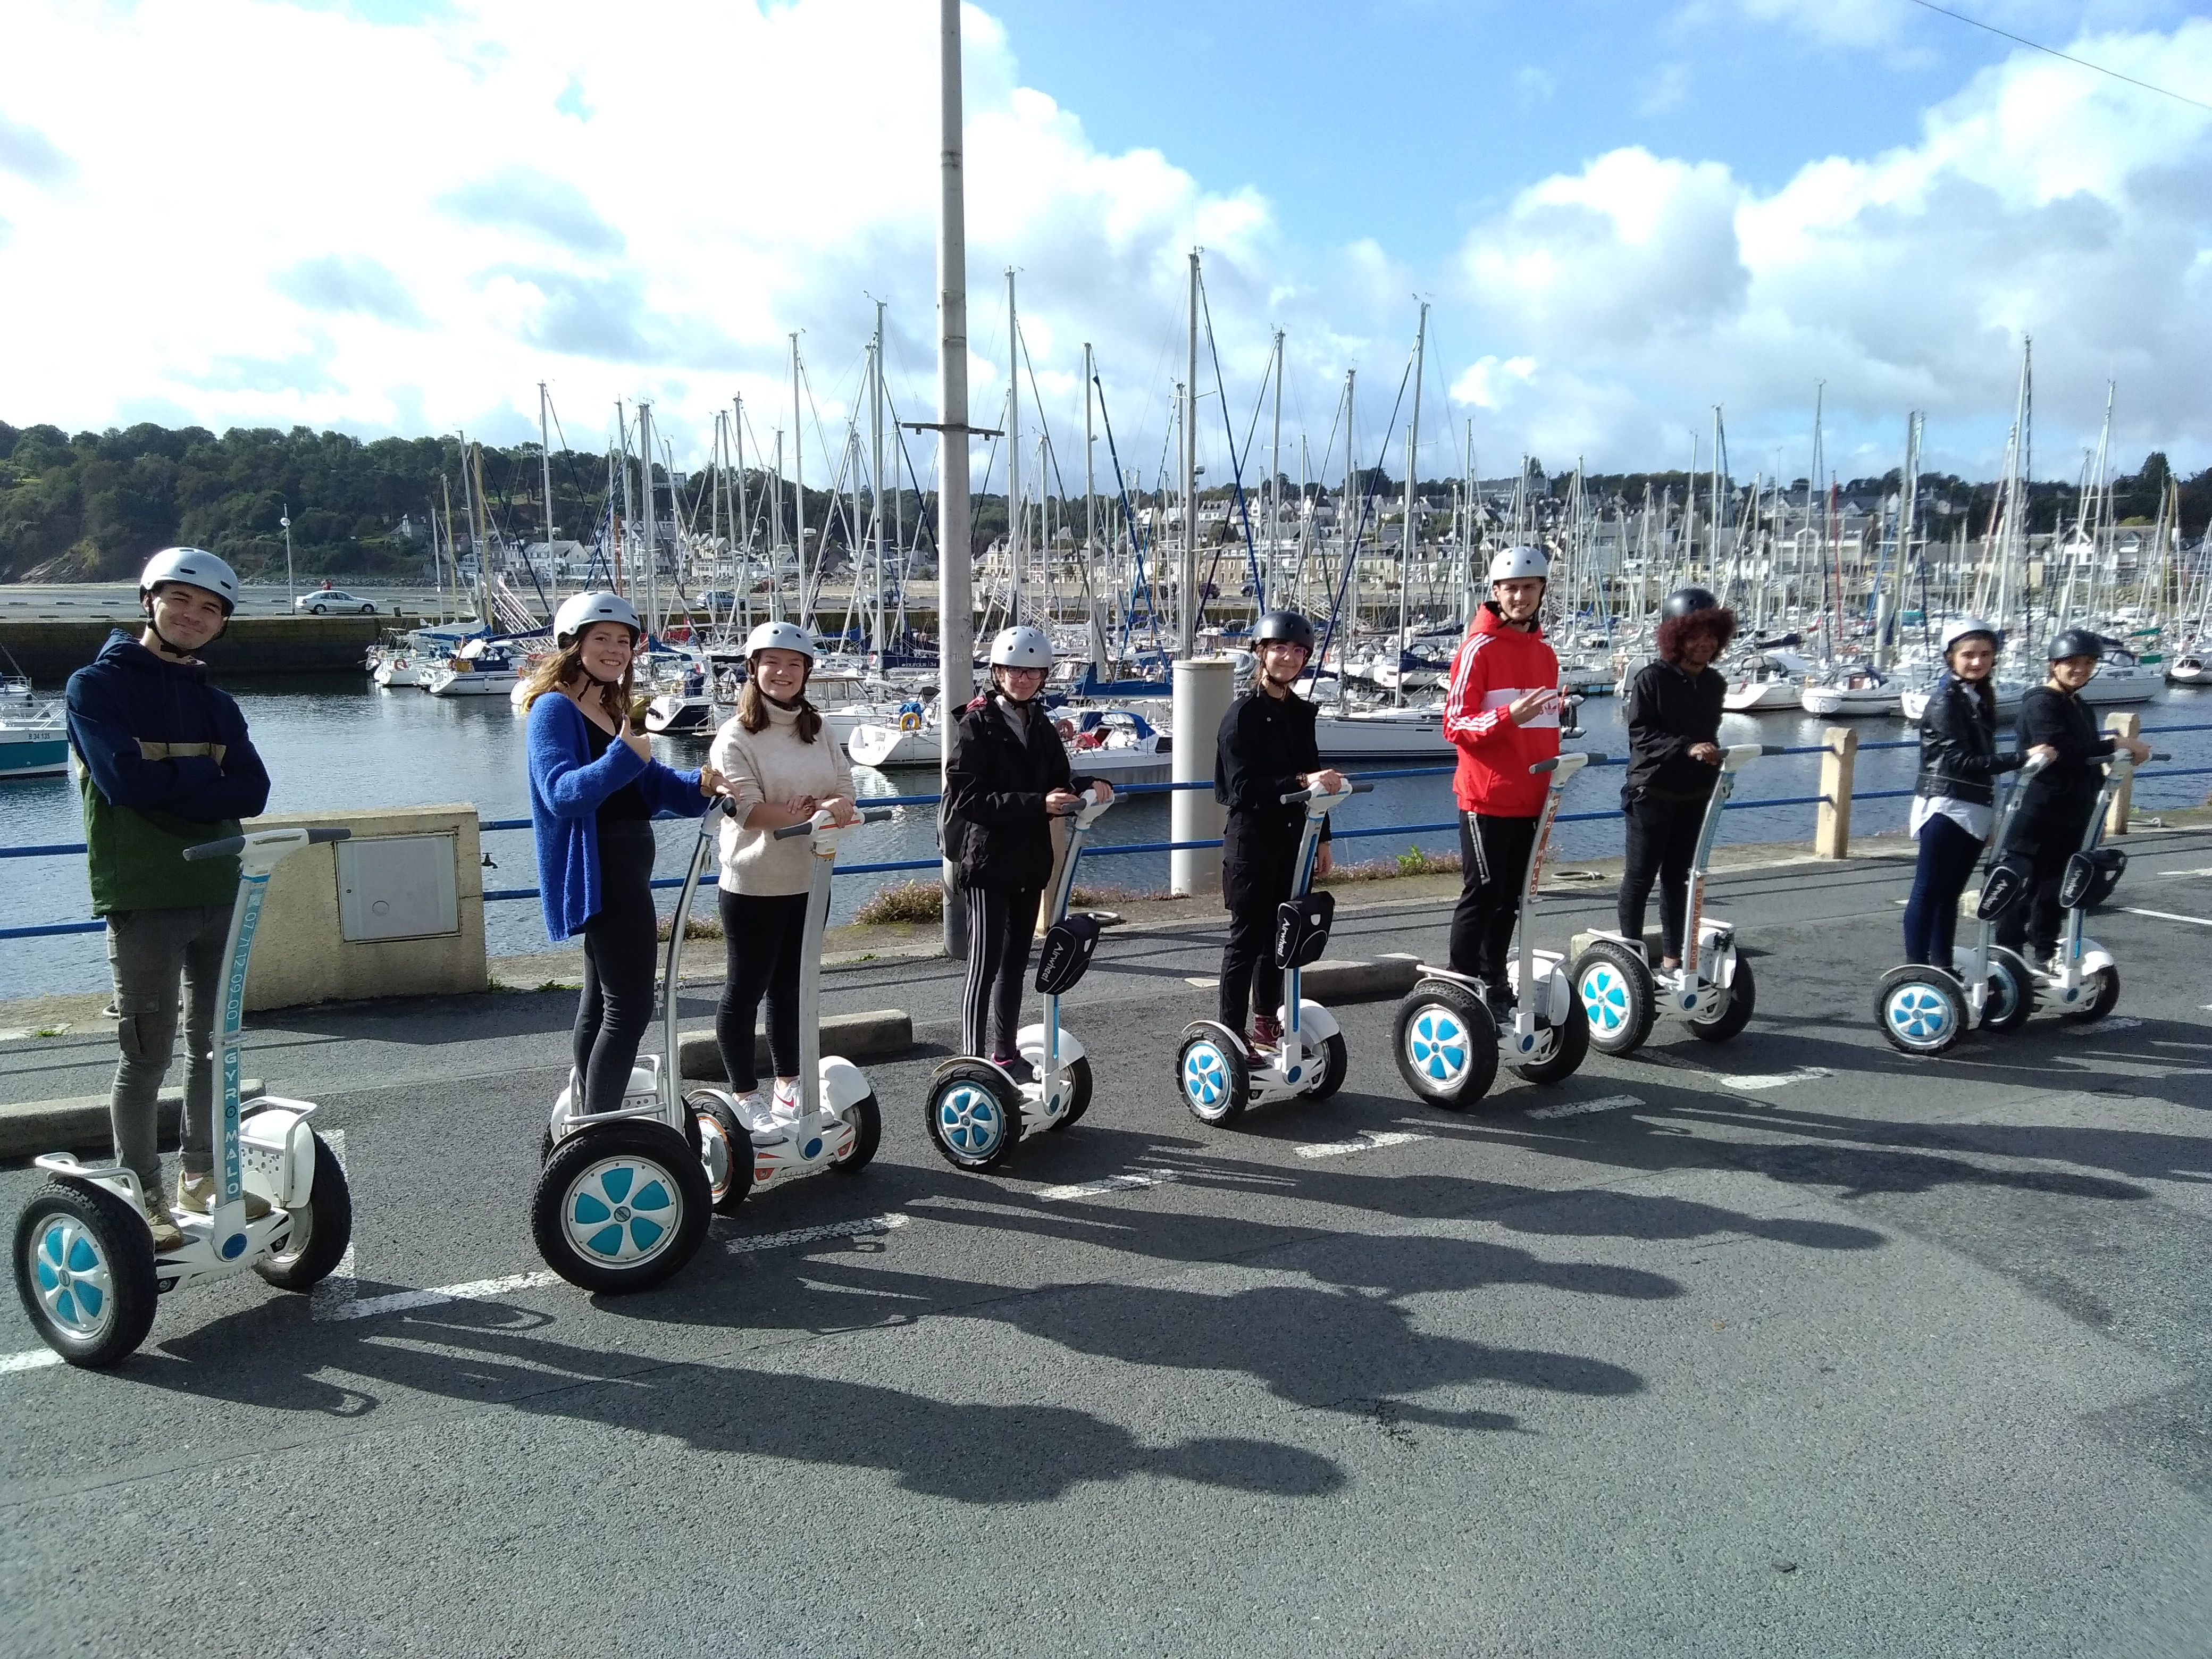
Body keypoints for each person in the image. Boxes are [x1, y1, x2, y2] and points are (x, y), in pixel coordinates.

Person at [64, 549, 272, 1250]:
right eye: (180, 599)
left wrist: (168, 773)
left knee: (217, 1047)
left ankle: (202, 1175)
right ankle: (142, 1194)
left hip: (220, 887)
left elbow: (253, 792)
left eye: (210, 608)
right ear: (148, 599)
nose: (193, 615)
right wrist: (199, 782)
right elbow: (125, 786)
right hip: (144, 896)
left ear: (222, 624)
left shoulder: (217, 703)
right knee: (146, 1055)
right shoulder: (96, 687)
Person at [523, 592, 723, 1118]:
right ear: (573, 645)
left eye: (624, 641)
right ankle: (603, 1127)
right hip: (604, 876)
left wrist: (699, 785)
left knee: (599, 1008)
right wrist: (621, 755)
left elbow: (652, 785)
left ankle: (591, 1115)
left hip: (624, 871)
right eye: (602, 639)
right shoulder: (554, 708)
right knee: (629, 1010)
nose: (616, 650)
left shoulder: (608, 708)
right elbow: (561, 793)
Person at [707, 621, 857, 1128]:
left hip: (812, 877)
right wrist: (804, 814)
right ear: (753, 669)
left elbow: (845, 787)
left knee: (793, 987)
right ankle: (744, 1092)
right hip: (755, 882)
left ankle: (789, 1083)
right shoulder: (735, 735)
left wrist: (828, 805)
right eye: (772, 663)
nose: (783, 672)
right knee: (746, 988)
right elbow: (746, 811)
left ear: (807, 673)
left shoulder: (818, 728)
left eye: (795, 664)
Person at [942, 625, 1111, 1073]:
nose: (1023, 679)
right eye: (1014, 670)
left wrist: (1087, 785)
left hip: (1031, 861)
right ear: (997, 672)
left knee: (1015, 965)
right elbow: (969, 799)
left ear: (1044, 677)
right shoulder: (975, 724)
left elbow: (1058, 777)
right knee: (983, 965)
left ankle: (1005, 1053)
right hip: (988, 863)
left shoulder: (1040, 724)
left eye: (1033, 672)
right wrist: (1040, 804)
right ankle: (971, 1061)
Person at [1214, 611, 1345, 1050]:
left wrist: (1323, 836)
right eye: (1279, 649)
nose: (1288, 658)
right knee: (1247, 940)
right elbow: (1241, 787)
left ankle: (1266, 1020)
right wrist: (1299, 784)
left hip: (1296, 839)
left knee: (1283, 935)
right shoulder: (1242, 715)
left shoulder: (1299, 712)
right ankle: (1232, 1030)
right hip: (1253, 840)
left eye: (1297, 652)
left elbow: (1314, 773)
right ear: (1261, 653)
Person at [1441, 546, 1562, 1016]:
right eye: (1510, 589)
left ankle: (1493, 980)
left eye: (1528, 588)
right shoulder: (1479, 649)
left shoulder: (1545, 654)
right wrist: (1508, 715)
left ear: (1541, 592)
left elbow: (1545, 731)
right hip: (1486, 797)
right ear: (1495, 593)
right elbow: (1456, 725)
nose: (1519, 597)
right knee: (1483, 894)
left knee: (1512, 898)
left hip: (1533, 798)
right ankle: (1460, 982)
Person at [1900, 619, 2052, 973]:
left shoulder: (1978, 699)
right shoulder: (1945, 702)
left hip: (1973, 806)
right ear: (1950, 658)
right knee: (1928, 891)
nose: (1977, 662)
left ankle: (1941, 966)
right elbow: (1960, 760)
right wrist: (2023, 757)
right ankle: (1915, 969)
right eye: (1968, 655)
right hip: (1946, 805)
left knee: (1949, 895)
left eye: (1985, 654)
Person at [1995, 629, 2150, 967]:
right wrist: (2115, 745)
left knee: (2057, 887)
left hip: (2072, 810)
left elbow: (2086, 762)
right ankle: (2007, 956)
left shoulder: (2078, 704)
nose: (2081, 669)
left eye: (2088, 663)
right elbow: (2060, 750)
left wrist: (2096, 814)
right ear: (2054, 665)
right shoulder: (2040, 702)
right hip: (2037, 809)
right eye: (2072, 663)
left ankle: (2044, 954)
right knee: (2023, 884)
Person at [1616, 589, 1737, 969]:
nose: (1705, 643)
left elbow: (1710, 735)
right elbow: (1642, 735)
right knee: (1639, 879)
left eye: (1711, 635)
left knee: (1679, 879)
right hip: (1652, 791)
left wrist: (1718, 769)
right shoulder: (1652, 679)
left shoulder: (1715, 683)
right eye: (1695, 635)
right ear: (1676, 638)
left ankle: (1673, 958)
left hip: (1695, 793)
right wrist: (1687, 748)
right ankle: (1631, 958)